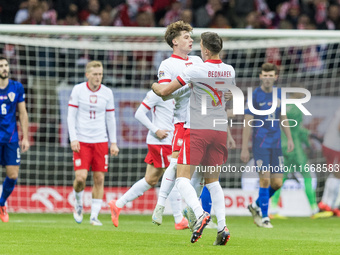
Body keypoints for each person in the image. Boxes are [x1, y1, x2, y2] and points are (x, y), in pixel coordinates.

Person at [152, 31, 236, 245]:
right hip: (219, 130)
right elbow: (228, 96)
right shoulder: (229, 70)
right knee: (213, 182)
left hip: (197, 129)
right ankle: (223, 226)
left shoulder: (195, 69)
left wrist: (154, 86)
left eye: (199, 44)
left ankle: (200, 214)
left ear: (206, 50)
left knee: (181, 178)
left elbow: (165, 92)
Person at [108, 90, 189, 230]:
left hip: (169, 141)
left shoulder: (180, 91)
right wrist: (156, 129)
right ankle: (179, 219)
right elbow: (139, 113)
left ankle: (118, 204)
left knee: (150, 179)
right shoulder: (158, 92)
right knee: (175, 176)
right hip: (161, 142)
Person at [150, 20, 203, 227]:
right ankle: (160, 205)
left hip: (202, 122)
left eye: (191, 36)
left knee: (199, 171)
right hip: (183, 121)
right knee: (175, 164)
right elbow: (164, 94)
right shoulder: (167, 65)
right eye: (186, 37)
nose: (191, 40)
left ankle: (190, 209)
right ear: (175, 41)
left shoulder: (198, 61)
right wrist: (186, 83)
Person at [241, 63, 294, 228]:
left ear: (275, 77)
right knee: (264, 179)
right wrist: (244, 147)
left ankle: (256, 205)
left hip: (276, 144)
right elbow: (247, 122)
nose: (268, 78)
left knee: (278, 182)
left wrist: (290, 138)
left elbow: (283, 117)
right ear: (260, 76)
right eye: (265, 75)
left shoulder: (279, 94)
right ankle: (265, 217)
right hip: (260, 144)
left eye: (271, 75)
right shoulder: (255, 95)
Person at [67, 60, 119, 226]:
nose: (98, 77)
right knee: (81, 177)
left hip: (100, 140)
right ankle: (78, 203)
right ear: (87, 74)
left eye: (101, 74)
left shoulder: (107, 93)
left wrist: (113, 142)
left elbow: (111, 119)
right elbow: (70, 116)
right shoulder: (78, 90)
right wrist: (73, 138)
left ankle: (94, 216)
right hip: (82, 140)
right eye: (95, 74)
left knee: (99, 178)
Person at [270, 89, 318, 218]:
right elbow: (298, 130)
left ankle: (273, 208)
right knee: (307, 176)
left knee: (281, 177)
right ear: (298, 94)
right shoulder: (297, 107)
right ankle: (314, 208)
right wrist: (309, 144)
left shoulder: (282, 106)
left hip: (281, 146)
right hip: (295, 147)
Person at [0, 57, 30, 222]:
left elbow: (23, 113)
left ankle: (2, 203)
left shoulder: (16, 87)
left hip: (11, 138)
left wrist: (25, 137)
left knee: (12, 175)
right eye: (1, 66)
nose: (4, 68)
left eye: (5, 65)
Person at [313, 107, 340, 218]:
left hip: (332, 145)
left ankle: (330, 204)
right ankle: (328, 204)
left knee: (336, 174)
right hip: (334, 146)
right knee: (337, 174)